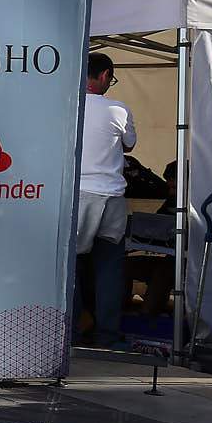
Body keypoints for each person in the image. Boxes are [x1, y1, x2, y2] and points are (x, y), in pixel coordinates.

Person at [78, 52, 137, 348]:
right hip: (112, 196)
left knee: (71, 266)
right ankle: (108, 335)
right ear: (104, 76)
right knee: (109, 268)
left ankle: (71, 331)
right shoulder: (118, 109)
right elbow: (129, 145)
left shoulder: (67, 104)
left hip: (77, 195)